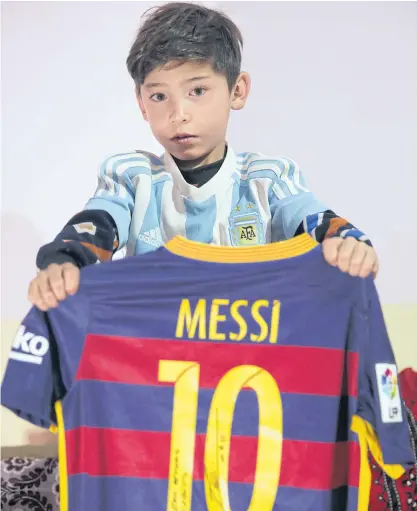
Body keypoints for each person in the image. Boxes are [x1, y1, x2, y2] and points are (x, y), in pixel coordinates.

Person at [28, 2, 379, 312]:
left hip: (250, 354)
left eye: (197, 91)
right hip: (155, 355)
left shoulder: (267, 179)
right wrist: (65, 261)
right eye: (159, 97)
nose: (178, 114)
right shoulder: (131, 178)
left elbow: (313, 219)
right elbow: (98, 222)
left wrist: (348, 244)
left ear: (237, 91)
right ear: (140, 103)